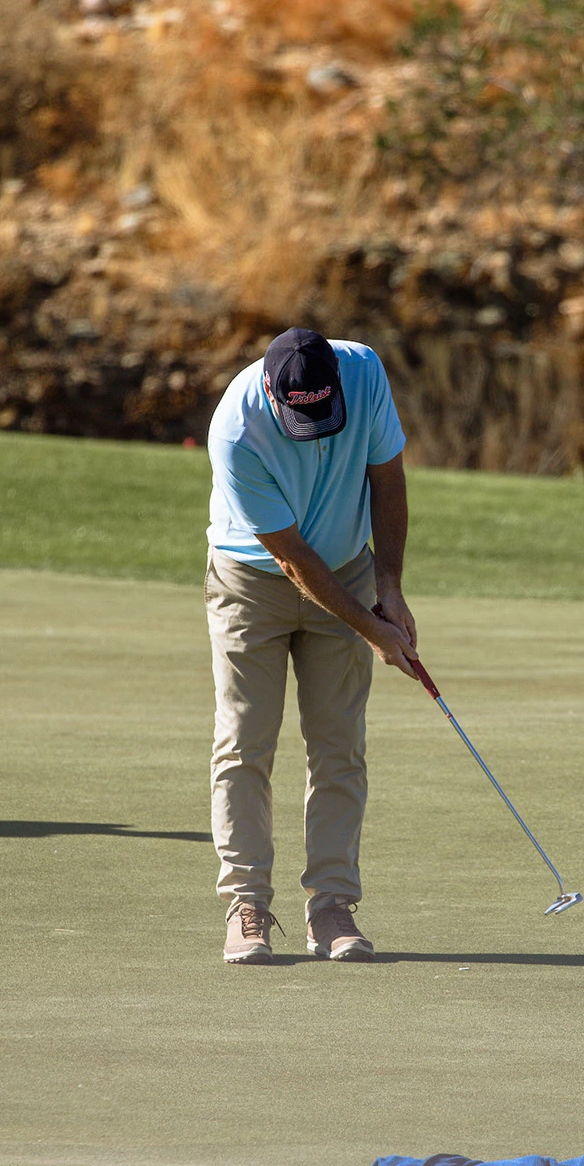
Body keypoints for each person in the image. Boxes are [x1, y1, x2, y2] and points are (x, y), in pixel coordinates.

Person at [203, 327, 419, 965]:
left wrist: (391, 589)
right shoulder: (235, 431)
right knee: (245, 742)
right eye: (304, 418)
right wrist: (370, 628)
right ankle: (247, 907)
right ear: (272, 393)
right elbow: (294, 561)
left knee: (337, 744)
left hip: (350, 567)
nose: (319, 430)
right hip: (253, 582)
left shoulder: (365, 371)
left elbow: (389, 478)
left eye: (326, 415)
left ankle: (331, 907)